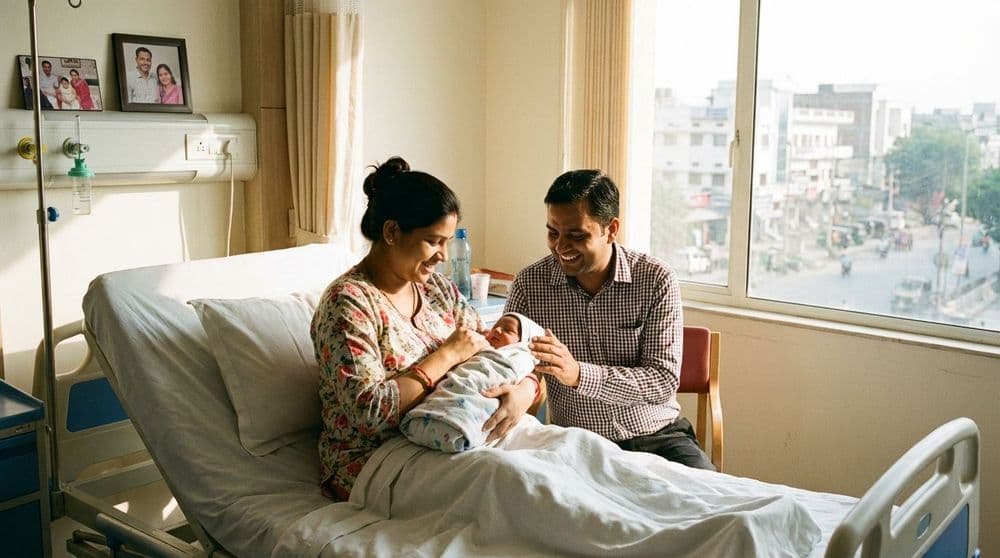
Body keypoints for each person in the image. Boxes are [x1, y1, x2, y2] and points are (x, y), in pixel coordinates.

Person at [311, 156, 538, 501]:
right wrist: (446, 355)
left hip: (458, 435)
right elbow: (368, 413)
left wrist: (526, 392)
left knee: (569, 461)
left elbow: (497, 359)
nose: (444, 256)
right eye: (434, 242)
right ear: (391, 232)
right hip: (375, 460)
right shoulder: (349, 303)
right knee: (518, 488)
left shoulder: (437, 289)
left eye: (447, 242)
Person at [505, 169, 715, 470]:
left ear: (611, 229)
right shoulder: (530, 284)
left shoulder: (655, 280)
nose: (560, 247)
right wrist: (521, 390)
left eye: (576, 235)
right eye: (553, 232)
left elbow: (662, 381)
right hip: (575, 443)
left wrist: (578, 374)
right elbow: (513, 364)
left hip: (657, 437)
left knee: (711, 503)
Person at [400, 312, 543, 452]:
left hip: (489, 398)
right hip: (455, 388)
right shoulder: (481, 346)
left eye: (508, 330)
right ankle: (442, 419)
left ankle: (459, 426)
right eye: (495, 327)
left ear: (522, 343)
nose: (497, 330)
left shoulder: (519, 357)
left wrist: (528, 387)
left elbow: (532, 367)